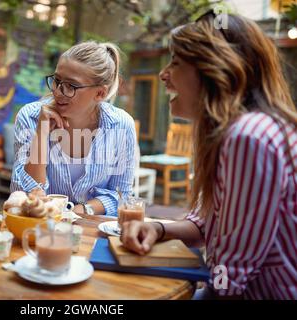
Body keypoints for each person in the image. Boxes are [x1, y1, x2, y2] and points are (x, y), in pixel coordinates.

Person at [121, 11, 297, 299]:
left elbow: (229, 276)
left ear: (216, 68)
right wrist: (156, 228)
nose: (163, 74)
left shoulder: (248, 136)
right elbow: (205, 224)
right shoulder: (229, 133)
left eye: (176, 63)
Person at [11, 41, 136, 216]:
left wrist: (79, 210)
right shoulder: (30, 116)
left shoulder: (121, 125)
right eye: (57, 80)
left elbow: (122, 195)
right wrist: (41, 132)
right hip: (40, 228)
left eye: (71, 86)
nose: (58, 91)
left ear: (100, 93)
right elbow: (25, 194)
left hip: (92, 230)